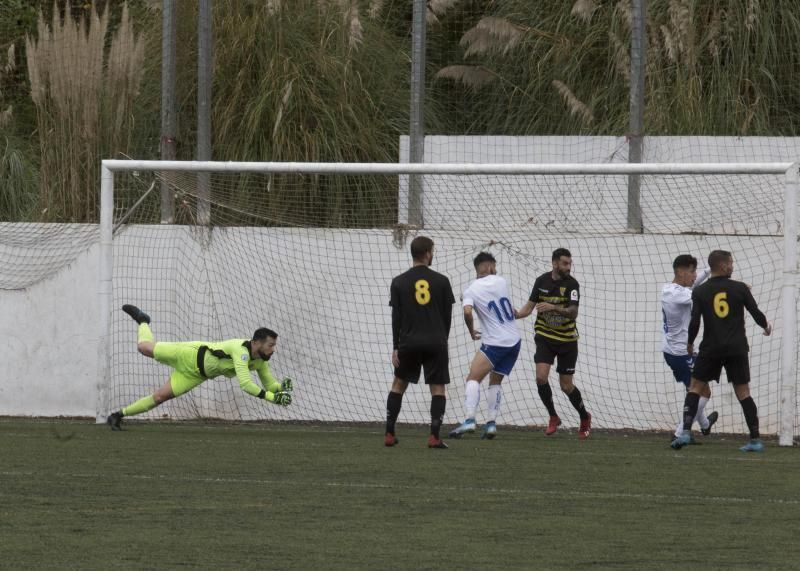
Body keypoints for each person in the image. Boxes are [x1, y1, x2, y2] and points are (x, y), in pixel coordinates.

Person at [107, 305, 293, 430]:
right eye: (270, 345)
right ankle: (143, 321)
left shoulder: (260, 360)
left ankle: (118, 415)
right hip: (189, 354)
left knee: (159, 397)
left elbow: (269, 384)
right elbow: (245, 384)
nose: (273, 349)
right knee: (143, 347)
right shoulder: (241, 350)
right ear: (256, 343)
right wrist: (273, 398)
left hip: (195, 375)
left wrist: (282, 388)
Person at [670, 250, 772, 452]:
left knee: (695, 388)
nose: (732, 266)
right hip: (737, 348)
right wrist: (766, 326)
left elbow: (695, 321)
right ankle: (755, 440)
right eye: (731, 263)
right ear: (723, 266)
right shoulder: (740, 288)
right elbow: (755, 312)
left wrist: (690, 343)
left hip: (711, 347)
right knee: (743, 393)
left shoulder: (700, 292)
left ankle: (686, 433)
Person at [385, 236, 455, 449]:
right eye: (432, 251)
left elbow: (396, 318)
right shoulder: (442, 281)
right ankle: (434, 436)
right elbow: (447, 315)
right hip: (436, 341)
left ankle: (389, 433)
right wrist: (443, 339)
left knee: (399, 384)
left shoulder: (398, 282)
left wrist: (396, 346)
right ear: (427, 253)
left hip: (408, 342)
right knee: (438, 388)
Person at [516, 248, 591, 439]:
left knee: (566, 386)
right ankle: (553, 416)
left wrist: (554, 307)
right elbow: (528, 308)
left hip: (567, 340)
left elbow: (573, 312)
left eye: (570, 263)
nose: (568, 266)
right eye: (565, 263)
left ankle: (584, 417)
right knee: (541, 378)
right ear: (555, 263)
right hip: (545, 337)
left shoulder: (572, 285)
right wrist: (514, 314)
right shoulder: (541, 281)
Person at [449, 252, 521, 440]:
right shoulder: (502, 282)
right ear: (490, 267)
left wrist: (471, 331)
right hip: (514, 341)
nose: (496, 270)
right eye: (494, 266)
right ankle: (490, 424)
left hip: (495, 342)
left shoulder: (471, 290)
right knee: (495, 382)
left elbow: (467, 313)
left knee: (473, 378)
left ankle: (470, 419)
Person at [662, 254, 718, 442]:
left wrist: (711, 269)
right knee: (703, 392)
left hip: (675, 351)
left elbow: (697, 284)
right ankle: (679, 433)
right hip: (679, 353)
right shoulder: (677, 294)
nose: (695, 275)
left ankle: (704, 425)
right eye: (692, 271)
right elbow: (701, 294)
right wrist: (731, 289)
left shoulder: (671, 289)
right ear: (680, 272)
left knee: (693, 391)